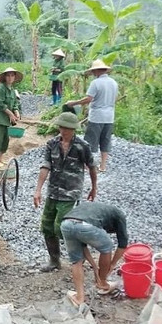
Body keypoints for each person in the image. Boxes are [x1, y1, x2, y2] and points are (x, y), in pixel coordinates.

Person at [33, 112, 98, 272]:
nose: (64, 131)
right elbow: (46, 166)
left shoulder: (82, 146)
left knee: (61, 227)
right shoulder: (52, 144)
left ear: (74, 129)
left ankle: (80, 254)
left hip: (70, 192)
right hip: (53, 191)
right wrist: (38, 190)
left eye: (68, 128)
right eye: (62, 127)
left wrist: (94, 187)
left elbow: (92, 167)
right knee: (47, 226)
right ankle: (55, 261)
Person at [61, 202, 128, 306]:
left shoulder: (95, 211)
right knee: (107, 247)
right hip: (85, 225)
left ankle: (79, 297)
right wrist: (112, 264)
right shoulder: (119, 215)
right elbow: (123, 245)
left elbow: (83, 247)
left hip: (66, 224)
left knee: (76, 261)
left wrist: (95, 267)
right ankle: (102, 283)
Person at [64, 59, 118, 173]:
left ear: (97, 71)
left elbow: (89, 99)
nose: (93, 74)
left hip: (97, 116)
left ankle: (88, 166)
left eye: (94, 71)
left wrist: (73, 103)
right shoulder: (114, 83)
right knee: (105, 141)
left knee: (90, 141)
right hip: (109, 117)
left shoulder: (96, 83)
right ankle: (103, 166)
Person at [0, 68, 22, 166]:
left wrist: (16, 112)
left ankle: (0, 159)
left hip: (6, 120)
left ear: (15, 77)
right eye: (8, 75)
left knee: (5, 141)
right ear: (5, 77)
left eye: (12, 75)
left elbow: (15, 103)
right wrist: (11, 114)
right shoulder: (1, 88)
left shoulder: (12, 90)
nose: (10, 78)